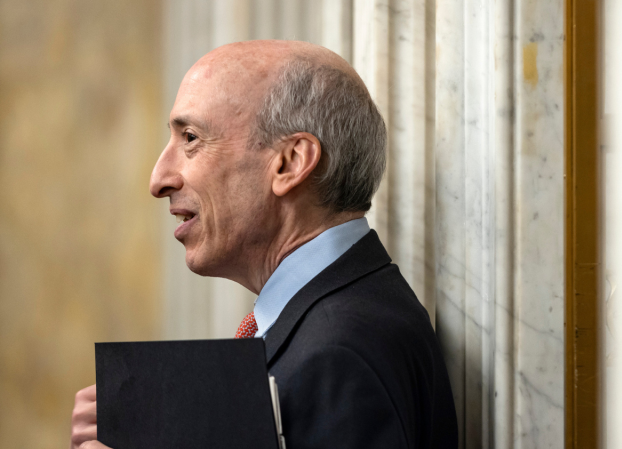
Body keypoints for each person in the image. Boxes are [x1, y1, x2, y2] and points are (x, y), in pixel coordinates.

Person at [69, 40, 458, 449]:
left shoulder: (340, 354)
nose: (158, 179)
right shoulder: (335, 317)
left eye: (190, 138)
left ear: (290, 163)